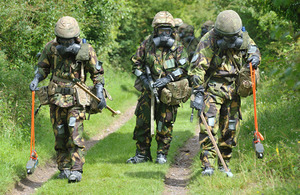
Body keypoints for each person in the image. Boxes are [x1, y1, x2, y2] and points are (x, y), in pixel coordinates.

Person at [29, 16, 106, 182]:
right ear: (57, 37)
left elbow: (97, 73)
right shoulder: (51, 48)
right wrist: (36, 79)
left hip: (76, 99)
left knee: (75, 133)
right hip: (55, 98)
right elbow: (43, 68)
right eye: (62, 40)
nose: (65, 44)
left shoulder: (86, 50)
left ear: (76, 37)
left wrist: (99, 91)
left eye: (68, 40)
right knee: (60, 134)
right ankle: (63, 168)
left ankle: (77, 169)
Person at [189, 10, 261, 176]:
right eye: (226, 38)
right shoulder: (208, 40)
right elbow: (198, 68)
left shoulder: (243, 37)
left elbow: (254, 49)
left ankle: (225, 163)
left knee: (230, 128)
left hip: (233, 90)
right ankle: (208, 165)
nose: (230, 41)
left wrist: (255, 58)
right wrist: (199, 93)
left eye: (233, 37)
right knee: (209, 126)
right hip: (212, 90)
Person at [127, 11, 191, 164]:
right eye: (161, 30)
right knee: (143, 122)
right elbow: (136, 63)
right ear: (155, 30)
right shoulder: (146, 44)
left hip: (169, 91)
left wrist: (168, 78)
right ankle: (142, 154)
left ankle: (162, 153)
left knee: (165, 123)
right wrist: (144, 79)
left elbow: (184, 68)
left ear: (172, 31)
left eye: (167, 31)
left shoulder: (178, 47)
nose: (163, 34)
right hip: (148, 89)